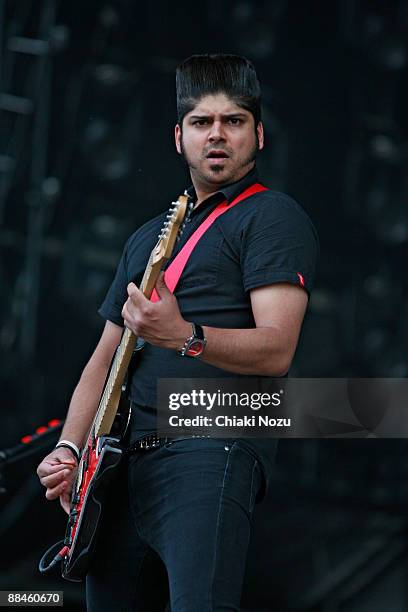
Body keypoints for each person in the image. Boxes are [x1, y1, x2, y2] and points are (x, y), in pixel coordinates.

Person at [37, 53, 318, 611]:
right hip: (117, 470)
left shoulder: (272, 217)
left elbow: (278, 349)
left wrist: (184, 335)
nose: (216, 134)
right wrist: (70, 448)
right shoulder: (146, 239)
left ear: (258, 135)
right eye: (201, 122)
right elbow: (104, 357)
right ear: (178, 137)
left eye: (233, 121)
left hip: (208, 446)